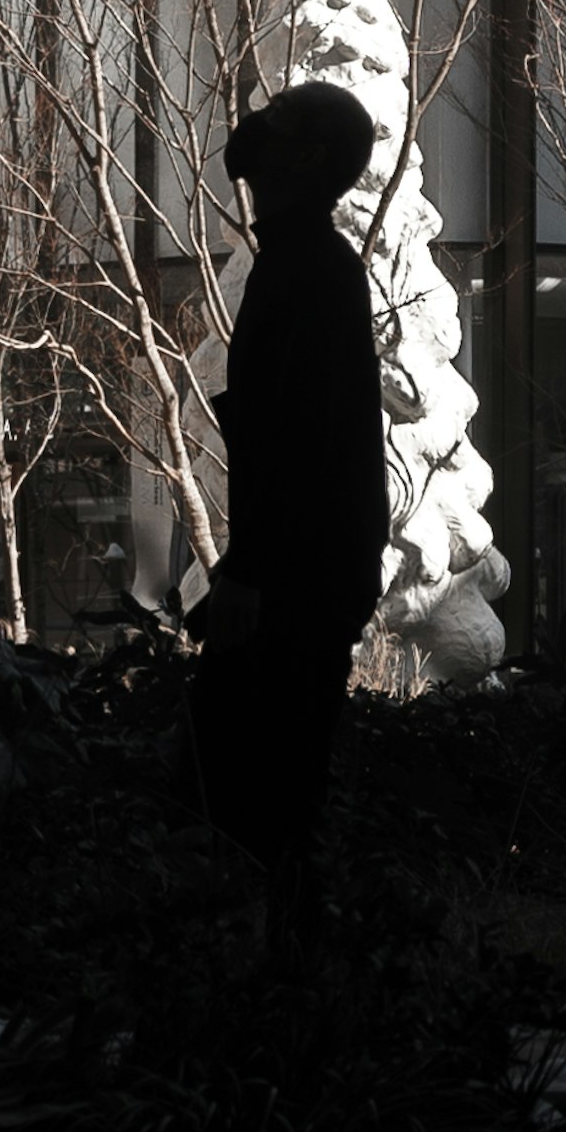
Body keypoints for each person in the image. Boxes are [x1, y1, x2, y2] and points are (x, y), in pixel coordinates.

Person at [188, 79, 388, 956]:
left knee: (254, 784)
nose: (256, 142)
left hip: (301, 579)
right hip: (306, 572)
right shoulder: (304, 264)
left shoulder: (309, 269)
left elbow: (296, 440)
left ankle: (288, 970)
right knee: (262, 782)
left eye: (283, 132)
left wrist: (252, 575)